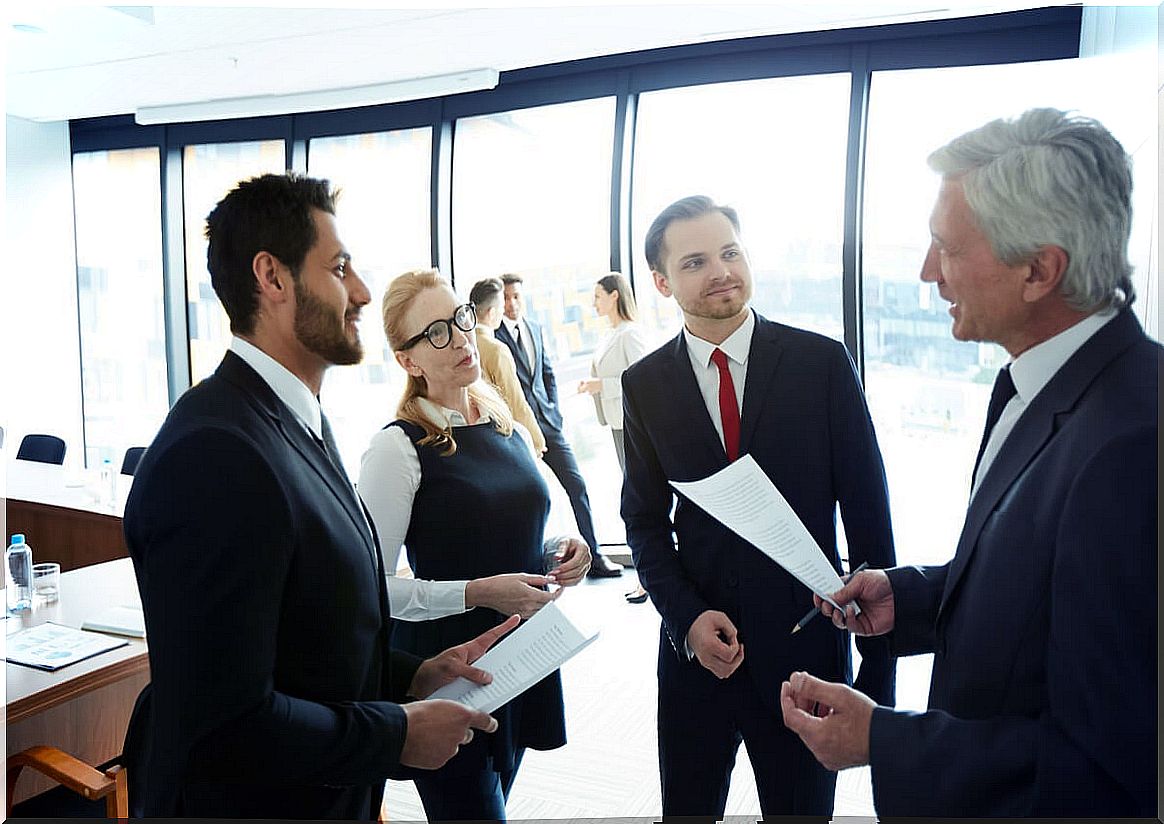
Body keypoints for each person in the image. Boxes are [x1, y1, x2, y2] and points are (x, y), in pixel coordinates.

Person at [780, 109, 1159, 818]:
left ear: (1039, 270)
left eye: (945, 248)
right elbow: (1049, 589)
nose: (927, 272)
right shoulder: (1033, 379)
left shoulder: (1134, 448)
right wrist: (917, 600)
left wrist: (884, 741)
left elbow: (1111, 774)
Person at [120, 174, 518, 819]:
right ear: (272, 278)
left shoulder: (296, 419)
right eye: (339, 269)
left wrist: (406, 677)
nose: (361, 292)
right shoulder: (215, 452)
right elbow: (223, 720)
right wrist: (396, 733)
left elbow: (303, 640)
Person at [621, 195, 896, 817]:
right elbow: (642, 519)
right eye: (695, 261)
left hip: (806, 654)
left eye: (730, 252)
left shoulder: (821, 362)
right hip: (697, 656)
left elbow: (868, 514)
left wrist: (878, 679)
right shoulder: (645, 384)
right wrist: (685, 619)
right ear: (663, 283)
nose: (721, 271)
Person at [359, 269, 590, 822]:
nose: (461, 337)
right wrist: (479, 592)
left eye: (460, 318)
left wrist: (563, 546)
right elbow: (370, 589)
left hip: (523, 653)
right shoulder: (399, 448)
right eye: (436, 332)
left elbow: (512, 528)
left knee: (496, 797)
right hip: (450, 666)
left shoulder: (499, 419)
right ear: (408, 360)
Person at [495, 272, 623, 578]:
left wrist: (554, 411)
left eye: (516, 296)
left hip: (549, 425)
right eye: (506, 298)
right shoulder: (491, 337)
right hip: (516, 433)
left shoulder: (536, 328)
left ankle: (595, 557)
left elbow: (548, 374)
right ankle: (529, 570)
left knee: (576, 485)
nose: (512, 303)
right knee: (528, 497)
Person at [575, 272, 652, 603]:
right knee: (636, 497)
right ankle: (649, 575)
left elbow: (643, 378)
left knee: (640, 501)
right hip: (619, 425)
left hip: (633, 426)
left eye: (598, 295)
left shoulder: (629, 334)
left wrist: (600, 386)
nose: (594, 302)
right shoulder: (612, 334)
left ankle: (649, 577)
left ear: (614, 296)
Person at [468, 276, 547, 455]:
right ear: (492, 313)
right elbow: (515, 401)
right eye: (502, 308)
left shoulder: (464, 344)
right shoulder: (496, 349)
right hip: (503, 436)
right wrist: (537, 440)